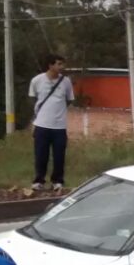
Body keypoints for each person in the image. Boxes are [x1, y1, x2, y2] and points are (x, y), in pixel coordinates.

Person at [29, 54, 75, 191]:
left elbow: (69, 99)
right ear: (50, 65)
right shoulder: (37, 80)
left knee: (59, 155)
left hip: (59, 126)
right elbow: (33, 98)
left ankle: (57, 181)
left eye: (62, 64)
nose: (62, 67)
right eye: (59, 64)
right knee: (41, 155)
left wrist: (59, 111)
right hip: (42, 125)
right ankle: (39, 181)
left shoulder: (66, 81)